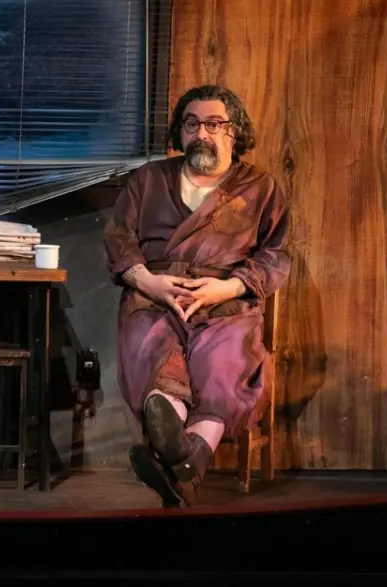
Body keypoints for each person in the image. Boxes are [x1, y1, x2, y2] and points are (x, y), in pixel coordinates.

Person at [103, 85, 291, 507]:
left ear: (234, 131)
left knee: (224, 359)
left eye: (213, 124)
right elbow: (118, 240)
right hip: (156, 294)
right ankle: (178, 442)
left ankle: (181, 465)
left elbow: (275, 255)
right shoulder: (148, 180)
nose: (201, 133)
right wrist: (146, 281)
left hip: (226, 300)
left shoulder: (260, 187)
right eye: (191, 124)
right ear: (180, 131)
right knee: (151, 347)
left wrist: (229, 286)